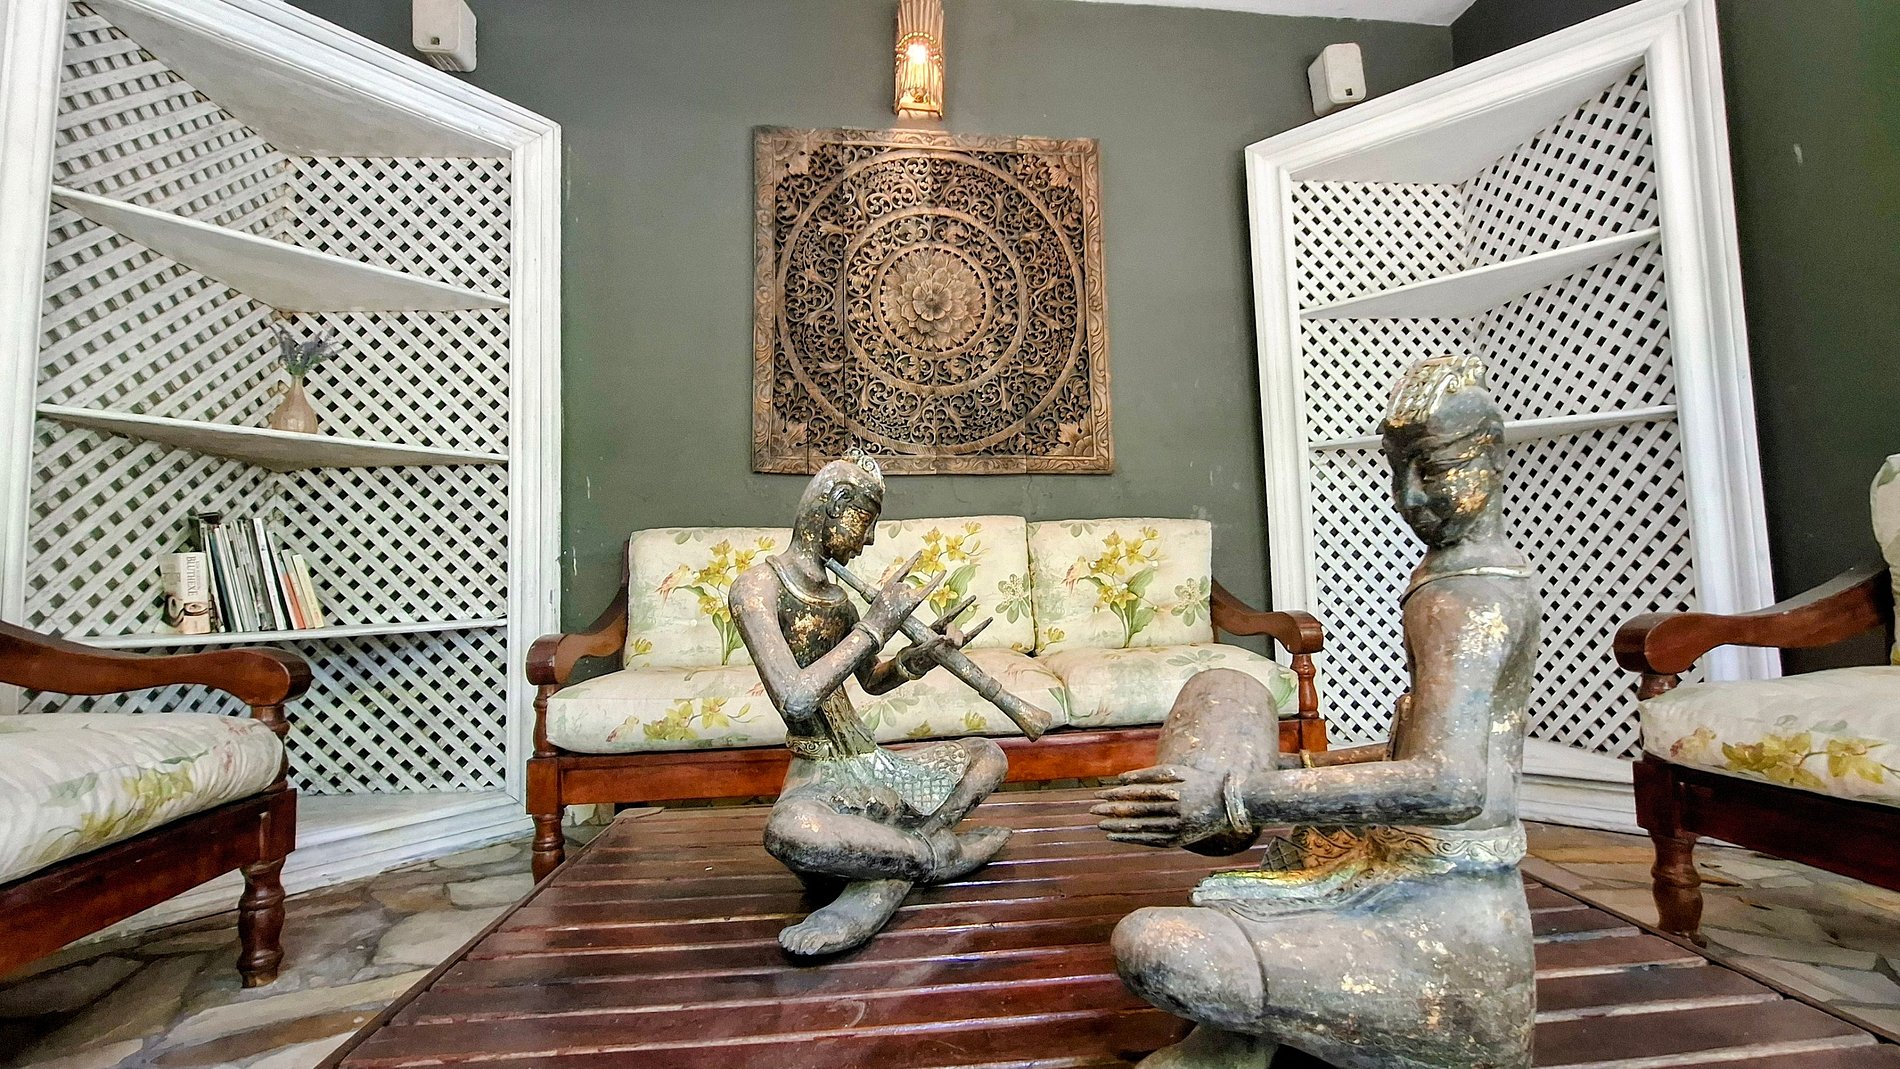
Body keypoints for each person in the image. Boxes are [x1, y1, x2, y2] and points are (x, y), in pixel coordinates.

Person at [1093, 355, 1540, 1068]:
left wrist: (1236, 795)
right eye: (1397, 470)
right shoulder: (1456, 575)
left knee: (1155, 946)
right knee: (1225, 685)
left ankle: (1241, 1035)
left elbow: (1452, 785)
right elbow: (1420, 751)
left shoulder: (1468, 597)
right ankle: (1238, 1037)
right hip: (1408, 878)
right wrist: (1294, 768)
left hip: (1448, 950)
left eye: (1432, 468)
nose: (1409, 496)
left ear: (1490, 455)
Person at [730, 452, 1011, 955]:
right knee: (790, 832)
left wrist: (916, 659)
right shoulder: (757, 587)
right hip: (819, 778)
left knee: (987, 755)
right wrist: (877, 624)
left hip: (872, 766)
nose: (870, 539)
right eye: (866, 521)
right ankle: (935, 855)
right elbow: (795, 699)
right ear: (834, 506)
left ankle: (880, 877)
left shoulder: (838, 600)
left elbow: (871, 681)